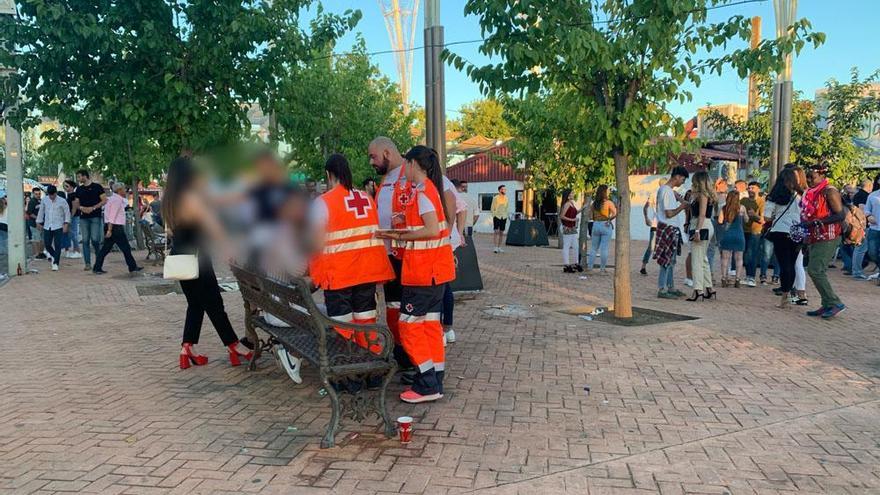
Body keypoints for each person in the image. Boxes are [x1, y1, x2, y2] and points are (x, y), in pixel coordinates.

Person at [376, 145, 455, 404]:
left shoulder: (423, 193)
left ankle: (426, 382)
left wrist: (397, 235)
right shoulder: (429, 190)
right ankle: (435, 378)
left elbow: (431, 229)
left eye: (406, 166)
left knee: (408, 326)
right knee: (430, 326)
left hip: (423, 274)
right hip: (434, 273)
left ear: (412, 164)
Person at [162, 156, 252, 369]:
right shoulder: (191, 198)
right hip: (197, 258)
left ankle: (187, 348)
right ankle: (234, 345)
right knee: (214, 304)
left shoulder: (170, 200)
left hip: (180, 257)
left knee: (195, 304)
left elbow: (171, 230)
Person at [310, 154, 394, 360]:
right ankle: (371, 367)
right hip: (367, 271)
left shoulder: (323, 203)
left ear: (329, 175)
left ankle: (348, 372)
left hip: (339, 275)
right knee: (366, 320)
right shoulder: (365, 198)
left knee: (343, 324)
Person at [801, 162, 847, 318]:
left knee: (815, 270)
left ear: (822, 176)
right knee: (815, 270)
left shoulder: (829, 191)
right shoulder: (813, 192)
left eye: (811, 177)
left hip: (829, 235)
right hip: (816, 235)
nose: (808, 180)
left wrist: (816, 222)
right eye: (807, 177)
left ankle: (834, 303)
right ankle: (827, 303)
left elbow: (840, 215)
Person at [764, 167, 803, 308]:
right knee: (791, 265)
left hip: (780, 231)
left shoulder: (774, 196)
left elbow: (767, 217)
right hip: (797, 232)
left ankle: (784, 297)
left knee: (783, 264)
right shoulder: (801, 195)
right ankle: (789, 294)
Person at [91, 183, 143, 275]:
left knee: (106, 248)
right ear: (119, 190)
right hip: (115, 227)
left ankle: (97, 267)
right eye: (123, 189)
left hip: (111, 226)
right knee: (125, 248)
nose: (125, 190)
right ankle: (132, 267)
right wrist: (110, 230)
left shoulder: (112, 199)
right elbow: (112, 216)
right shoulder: (116, 200)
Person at [653, 166, 689, 299]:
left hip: (669, 227)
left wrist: (679, 199)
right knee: (666, 260)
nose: (682, 182)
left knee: (671, 260)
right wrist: (682, 206)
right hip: (668, 226)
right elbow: (669, 213)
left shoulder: (667, 190)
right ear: (677, 177)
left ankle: (670, 286)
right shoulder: (666, 191)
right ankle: (662, 288)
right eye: (683, 179)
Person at [685, 172, 716, 301]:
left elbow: (701, 214)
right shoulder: (705, 195)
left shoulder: (702, 195)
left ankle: (698, 290)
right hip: (705, 225)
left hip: (700, 225)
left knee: (696, 260)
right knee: (702, 259)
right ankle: (709, 288)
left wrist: (697, 231)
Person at [75, 169, 108, 271]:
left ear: (85, 176)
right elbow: (76, 203)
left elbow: (104, 200)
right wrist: (81, 208)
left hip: (95, 216)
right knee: (85, 240)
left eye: (79, 177)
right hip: (83, 217)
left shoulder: (97, 187)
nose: (78, 179)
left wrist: (93, 207)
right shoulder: (79, 189)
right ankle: (87, 263)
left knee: (95, 239)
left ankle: (98, 262)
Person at [35, 185, 71, 272]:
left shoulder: (62, 201)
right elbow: (41, 211)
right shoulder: (45, 200)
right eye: (50, 195)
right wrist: (38, 222)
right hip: (47, 225)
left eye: (53, 195)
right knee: (47, 244)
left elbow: (67, 213)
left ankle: (56, 263)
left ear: (56, 193)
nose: (51, 197)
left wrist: (66, 223)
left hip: (58, 225)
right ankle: (55, 255)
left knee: (58, 245)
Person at [718, 191, 746, 287]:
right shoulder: (742, 208)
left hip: (727, 235)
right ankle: (737, 279)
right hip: (739, 235)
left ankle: (723, 278)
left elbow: (720, 221)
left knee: (725, 258)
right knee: (739, 259)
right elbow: (746, 219)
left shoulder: (724, 208)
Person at [741, 181, 765, 287]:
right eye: (749, 188)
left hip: (755, 231)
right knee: (745, 254)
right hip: (743, 230)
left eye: (753, 188)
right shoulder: (743, 200)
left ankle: (752, 277)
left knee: (752, 254)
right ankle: (747, 276)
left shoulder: (761, 201)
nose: (750, 190)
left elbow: (763, 220)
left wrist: (754, 215)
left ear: (758, 189)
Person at [587, 185, 616, 272]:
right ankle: (602, 269)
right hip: (605, 224)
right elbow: (615, 213)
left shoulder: (594, 204)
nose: (609, 192)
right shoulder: (609, 203)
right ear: (604, 192)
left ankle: (590, 268)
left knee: (593, 248)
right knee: (604, 248)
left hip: (596, 225)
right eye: (607, 191)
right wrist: (609, 219)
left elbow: (590, 216)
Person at [850, 178, 873, 279]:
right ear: (869, 186)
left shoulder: (857, 195)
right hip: (863, 226)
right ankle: (857, 272)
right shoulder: (864, 196)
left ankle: (856, 270)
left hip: (858, 225)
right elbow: (862, 210)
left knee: (859, 248)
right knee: (861, 248)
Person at [560, 190, 582, 273]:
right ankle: (567, 265)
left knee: (575, 246)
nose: (573, 194)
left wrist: (582, 208)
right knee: (567, 246)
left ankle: (576, 263)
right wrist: (573, 219)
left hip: (572, 227)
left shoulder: (571, 203)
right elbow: (562, 216)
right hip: (567, 227)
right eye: (571, 193)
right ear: (568, 196)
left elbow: (574, 213)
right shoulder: (566, 204)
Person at [864, 174, 880, 283]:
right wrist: (869, 216)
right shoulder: (872, 196)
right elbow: (866, 210)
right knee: (872, 253)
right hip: (874, 229)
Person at [61, 180, 82, 259]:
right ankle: (74, 251)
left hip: (73, 216)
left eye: (67, 186)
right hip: (71, 216)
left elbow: (74, 207)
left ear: (72, 187)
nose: (65, 188)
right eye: (64, 186)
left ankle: (77, 251)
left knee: (73, 234)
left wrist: (70, 217)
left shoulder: (73, 195)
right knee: (71, 234)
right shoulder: (69, 195)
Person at [639, 190, 658, 276]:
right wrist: (646, 218)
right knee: (651, 247)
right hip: (656, 224)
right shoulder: (654, 194)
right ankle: (643, 266)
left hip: (663, 224)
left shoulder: (670, 193)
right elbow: (645, 207)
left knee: (652, 247)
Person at [26, 187, 46, 259]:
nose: (38, 195)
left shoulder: (41, 201)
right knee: (36, 239)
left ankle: (41, 252)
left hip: (42, 223)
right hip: (34, 223)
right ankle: (36, 254)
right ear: (33, 194)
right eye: (36, 194)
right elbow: (30, 213)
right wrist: (38, 218)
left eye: (39, 194)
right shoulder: (32, 202)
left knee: (42, 239)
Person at [490, 185, 509, 253]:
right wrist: (494, 215)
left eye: (505, 189)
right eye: (503, 189)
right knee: (496, 231)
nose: (504, 190)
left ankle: (499, 247)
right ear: (500, 190)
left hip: (504, 217)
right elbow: (492, 208)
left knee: (501, 232)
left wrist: (506, 215)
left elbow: (507, 207)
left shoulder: (506, 198)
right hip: (497, 216)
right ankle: (495, 247)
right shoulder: (495, 198)